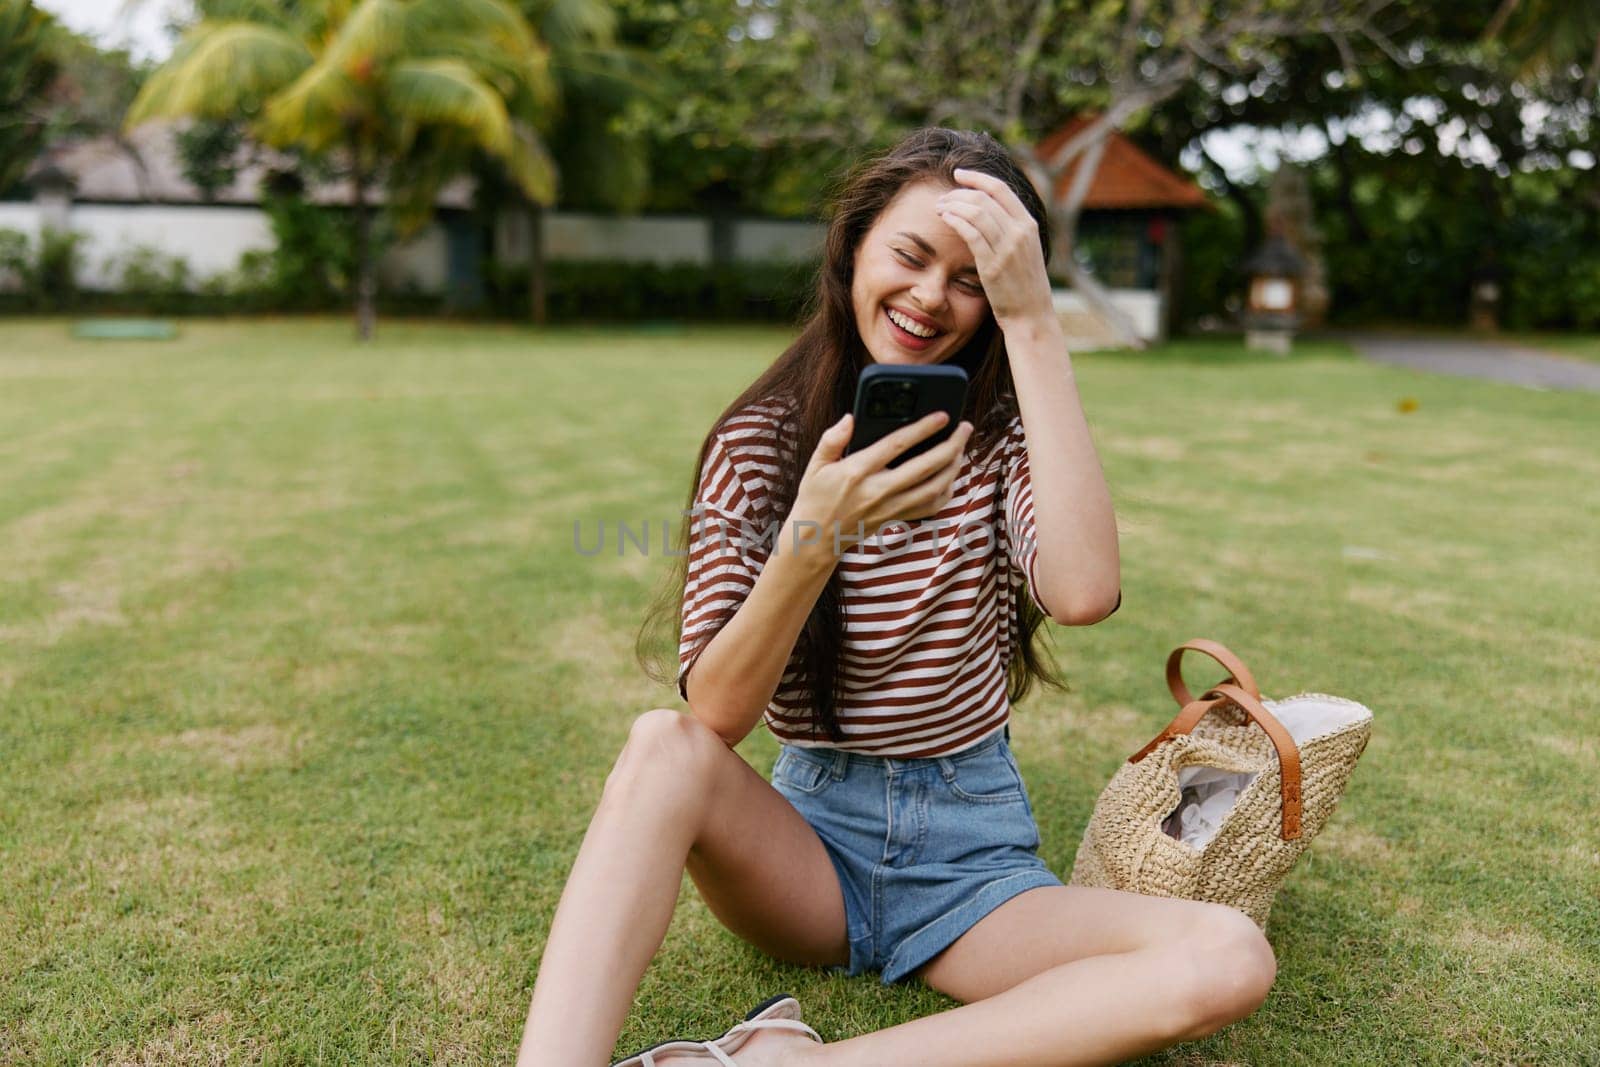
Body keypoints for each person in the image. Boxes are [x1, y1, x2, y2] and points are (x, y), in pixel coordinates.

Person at [516, 128, 1276, 1067]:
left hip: (974, 871)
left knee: (1227, 954)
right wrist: (817, 533)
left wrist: (1037, 320)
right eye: (910, 256)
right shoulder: (759, 443)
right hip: (804, 858)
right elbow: (714, 712)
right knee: (659, 745)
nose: (930, 297)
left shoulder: (1001, 442)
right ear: (854, 249)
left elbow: (1083, 591)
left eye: (971, 279)